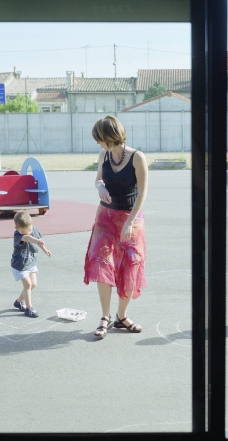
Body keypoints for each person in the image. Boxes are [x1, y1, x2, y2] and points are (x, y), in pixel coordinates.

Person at [84, 115, 148, 339]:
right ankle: (105, 316)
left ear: (110, 137)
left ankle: (122, 316)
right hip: (105, 216)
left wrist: (129, 223)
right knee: (101, 261)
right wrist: (100, 186)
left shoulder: (137, 158)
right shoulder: (104, 155)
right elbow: (98, 179)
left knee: (132, 263)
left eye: (100, 139)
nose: (99, 144)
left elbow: (142, 193)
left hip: (130, 217)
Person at [11, 210, 51, 318]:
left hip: (31, 263)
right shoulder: (18, 236)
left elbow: (39, 241)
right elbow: (28, 238)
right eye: (24, 231)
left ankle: (19, 301)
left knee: (33, 284)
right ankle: (29, 308)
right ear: (17, 229)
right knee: (27, 285)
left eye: (29, 229)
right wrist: (36, 241)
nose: (28, 232)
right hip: (20, 265)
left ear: (31, 224)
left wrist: (45, 250)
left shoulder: (33, 229)